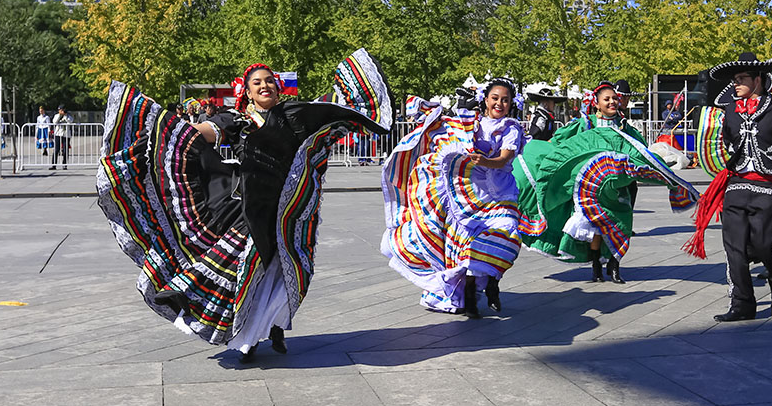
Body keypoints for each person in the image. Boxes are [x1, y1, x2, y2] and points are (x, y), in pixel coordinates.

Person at [98, 49, 392, 361]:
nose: (265, 86)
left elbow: (331, 109)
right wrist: (168, 132)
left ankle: (276, 325)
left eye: (269, 81)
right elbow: (204, 132)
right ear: (247, 92)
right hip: (252, 209)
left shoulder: (293, 115)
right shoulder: (238, 119)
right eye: (257, 83)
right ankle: (245, 337)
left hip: (291, 213)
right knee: (247, 270)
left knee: (288, 273)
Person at [382, 78, 538, 318]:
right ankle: (469, 296)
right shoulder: (469, 123)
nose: (499, 103)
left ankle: (493, 282)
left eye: (505, 100)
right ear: (486, 100)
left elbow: (505, 158)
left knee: (506, 236)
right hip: (469, 195)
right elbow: (445, 133)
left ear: (511, 104)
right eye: (495, 98)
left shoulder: (511, 127)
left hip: (501, 194)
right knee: (466, 246)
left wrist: (485, 161)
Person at [516, 79, 699, 283]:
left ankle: (614, 265)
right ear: (597, 103)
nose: (612, 102)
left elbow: (639, 151)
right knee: (596, 226)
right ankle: (596, 266)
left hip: (620, 185)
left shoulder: (625, 128)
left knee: (621, 222)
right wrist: (538, 152)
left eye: (614, 98)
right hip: (591, 188)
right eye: (607, 99)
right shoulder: (584, 125)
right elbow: (561, 144)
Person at [685, 52, 772, 321]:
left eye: (741, 79)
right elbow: (725, 141)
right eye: (735, 79)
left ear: (758, 79)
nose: (735, 84)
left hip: (771, 186)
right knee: (734, 247)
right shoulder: (730, 110)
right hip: (737, 184)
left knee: (766, 247)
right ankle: (742, 304)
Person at [49, 105, 72, 170]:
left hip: (66, 134)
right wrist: (59, 115)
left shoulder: (68, 116)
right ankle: (54, 165)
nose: (61, 111)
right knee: (56, 150)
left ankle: (64, 164)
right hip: (58, 134)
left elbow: (70, 121)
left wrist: (65, 115)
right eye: (60, 110)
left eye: (62, 110)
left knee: (65, 150)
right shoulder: (56, 115)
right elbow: (54, 122)